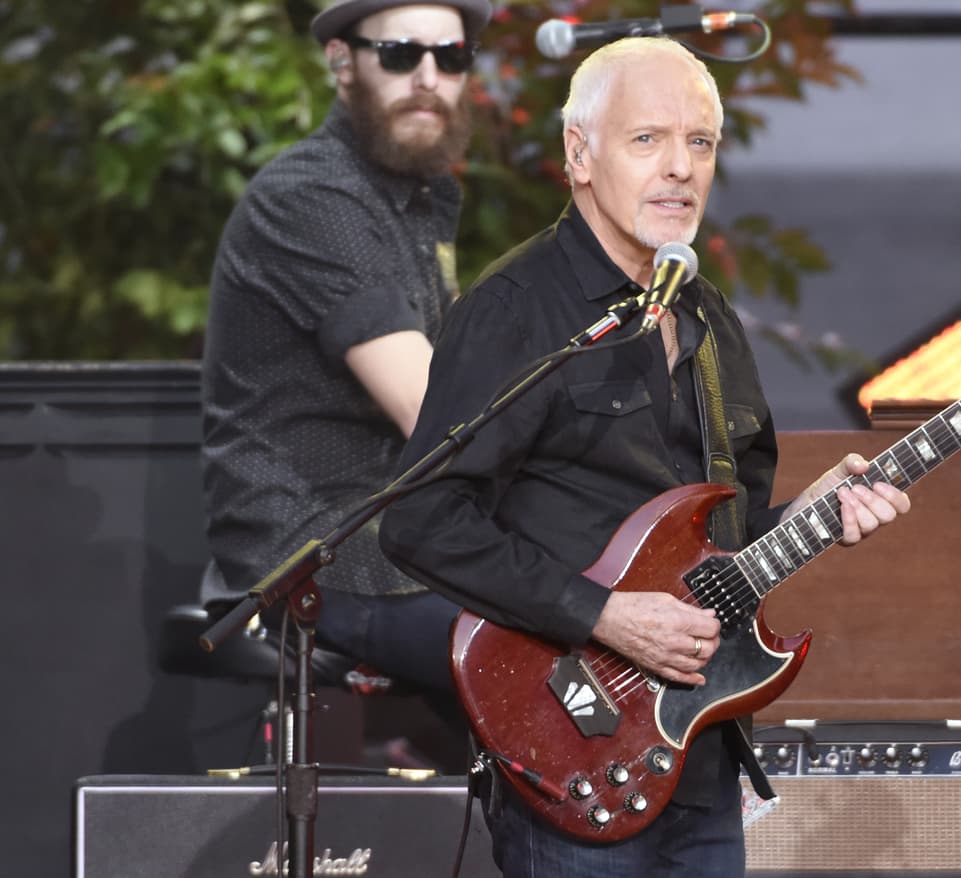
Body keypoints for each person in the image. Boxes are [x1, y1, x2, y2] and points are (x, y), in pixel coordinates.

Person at [379, 36, 912, 877]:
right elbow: (420, 518)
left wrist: (818, 517)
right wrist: (599, 614)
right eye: (647, 140)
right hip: (567, 743)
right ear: (579, 155)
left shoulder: (710, 322)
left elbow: (729, 545)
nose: (679, 169)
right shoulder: (517, 310)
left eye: (699, 143)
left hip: (696, 752)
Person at [199, 0, 491, 724]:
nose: (429, 77)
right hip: (319, 549)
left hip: (410, 541)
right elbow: (437, 414)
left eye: (449, 58)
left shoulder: (422, 198)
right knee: (550, 644)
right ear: (341, 62)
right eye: (400, 54)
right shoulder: (314, 195)